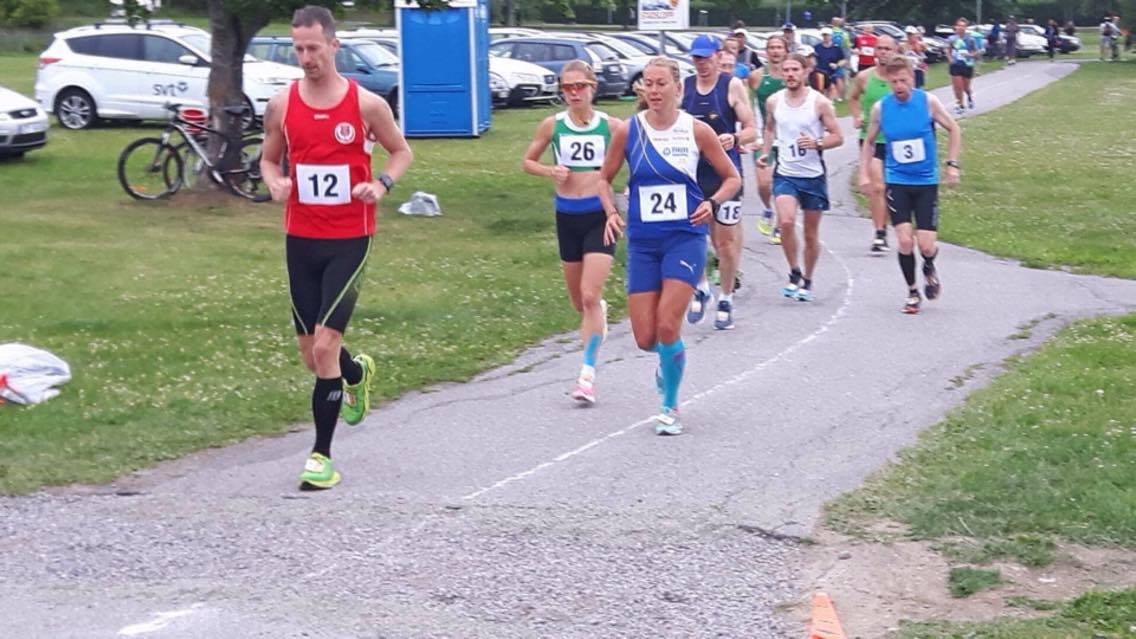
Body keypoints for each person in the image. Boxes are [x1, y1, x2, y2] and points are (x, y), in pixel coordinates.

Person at [260, 5, 414, 490]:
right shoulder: (282, 104)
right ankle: (355, 373)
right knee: (313, 356)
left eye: (313, 48)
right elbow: (268, 159)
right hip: (301, 238)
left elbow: (402, 150)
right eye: (298, 48)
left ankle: (320, 459)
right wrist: (275, 182)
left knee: (325, 344)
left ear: (333, 46)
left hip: (349, 237)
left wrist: (383, 184)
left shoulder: (366, 104)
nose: (306, 57)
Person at [597, 57, 741, 435]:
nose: (655, 91)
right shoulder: (629, 131)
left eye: (662, 84)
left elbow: (732, 178)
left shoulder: (696, 131)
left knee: (667, 324)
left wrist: (711, 204)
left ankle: (670, 407)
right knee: (645, 338)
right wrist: (611, 210)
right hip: (644, 241)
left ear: (679, 88)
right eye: (649, 84)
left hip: (685, 237)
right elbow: (603, 179)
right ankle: (666, 360)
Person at [522, 61, 620, 405]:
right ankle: (597, 316)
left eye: (580, 86)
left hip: (600, 216)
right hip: (567, 216)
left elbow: (637, 156)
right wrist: (550, 170)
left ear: (593, 87)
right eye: (567, 88)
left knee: (590, 295)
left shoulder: (612, 126)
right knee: (580, 302)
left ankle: (587, 376)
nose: (575, 93)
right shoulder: (554, 125)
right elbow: (527, 161)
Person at [859, 56, 961, 314]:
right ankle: (912, 292)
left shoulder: (927, 102)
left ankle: (928, 264)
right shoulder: (881, 108)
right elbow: (869, 142)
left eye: (903, 80)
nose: (899, 86)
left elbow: (954, 129)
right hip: (898, 181)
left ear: (912, 79)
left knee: (926, 245)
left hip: (926, 182)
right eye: (893, 82)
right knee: (905, 242)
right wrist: (864, 173)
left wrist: (952, 164)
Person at [682, 35, 757, 331]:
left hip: (726, 176)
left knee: (724, 243)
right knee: (690, 238)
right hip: (693, 176)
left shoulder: (732, 85)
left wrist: (735, 138)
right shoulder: (685, 87)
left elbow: (751, 129)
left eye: (706, 57)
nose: (702, 64)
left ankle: (726, 297)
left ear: (717, 56)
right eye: (697, 59)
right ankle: (701, 286)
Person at [758, 53, 843, 303]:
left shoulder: (820, 103)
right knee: (785, 222)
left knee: (810, 234)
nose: (790, 74)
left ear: (805, 72)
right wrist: (765, 153)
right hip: (786, 173)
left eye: (795, 69)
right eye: (786, 70)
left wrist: (817, 143)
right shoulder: (774, 101)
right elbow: (770, 128)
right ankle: (794, 271)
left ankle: (808, 278)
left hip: (813, 175)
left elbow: (838, 136)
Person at [850, 34, 898, 254]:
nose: (884, 52)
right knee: (876, 187)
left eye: (888, 48)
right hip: (871, 139)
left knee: (891, 189)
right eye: (880, 48)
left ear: (895, 50)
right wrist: (857, 115)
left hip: (896, 139)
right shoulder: (864, 77)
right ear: (875, 51)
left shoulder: (901, 78)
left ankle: (888, 225)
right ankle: (880, 233)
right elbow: (853, 98)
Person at [751, 35, 788, 244]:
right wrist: (755, 135)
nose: (775, 51)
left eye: (779, 48)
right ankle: (767, 209)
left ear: (785, 50)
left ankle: (781, 226)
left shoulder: (792, 74)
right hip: (765, 135)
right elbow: (754, 106)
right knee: (764, 183)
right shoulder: (756, 76)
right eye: (771, 48)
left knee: (784, 185)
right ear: (766, 52)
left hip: (787, 138)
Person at [947, 18, 979, 114]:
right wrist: (950, 59)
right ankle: (960, 104)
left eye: (963, 26)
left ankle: (969, 96)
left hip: (967, 65)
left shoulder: (970, 39)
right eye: (959, 25)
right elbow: (947, 50)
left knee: (966, 87)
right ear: (956, 26)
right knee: (957, 86)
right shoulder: (952, 39)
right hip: (955, 65)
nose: (961, 28)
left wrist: (970, 55)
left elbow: (976, 52)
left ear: (966, 28)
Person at [813, 27, 846, 100]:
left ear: (831, 36)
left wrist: (837, 65)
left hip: (833, 71)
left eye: (827, 35)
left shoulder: (836, 48)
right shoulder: (817, 47)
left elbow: (843, 60)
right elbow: (813, 59)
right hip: (820, 70)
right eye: (824, 35)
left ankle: (838, 97)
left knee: (838, 78)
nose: (825, 37)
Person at [829, 18, 853, 100]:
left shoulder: (830, 32)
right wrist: (848, 59)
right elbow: (847, 47)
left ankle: (833, 95)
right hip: (842, 56)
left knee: (832, 76)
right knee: (841, 77)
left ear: (832, 23)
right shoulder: (844, 34)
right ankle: (841, 96)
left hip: (831, 55)